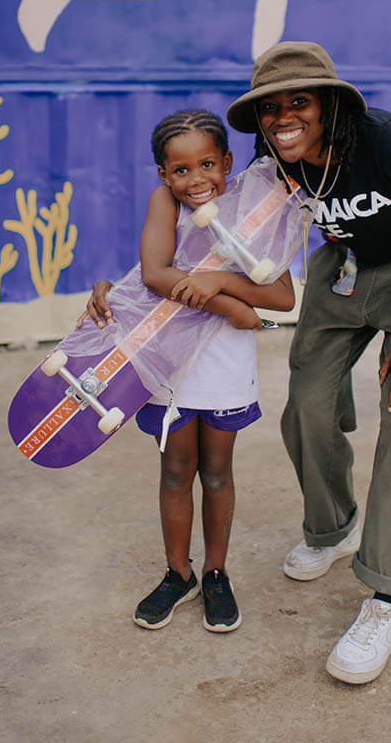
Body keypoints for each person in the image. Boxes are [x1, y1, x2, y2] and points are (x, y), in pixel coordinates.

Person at [226, 41, 391, 683]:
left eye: (299, 101)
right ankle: (333, 527)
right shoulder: (278, 157)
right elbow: (226, 224)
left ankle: (386, 596)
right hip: (344, 270)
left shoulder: (390, 142)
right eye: (270, 108)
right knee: (305, 402)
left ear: (329, 104)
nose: (283, 118)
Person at [81, 109, 294, 633]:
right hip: (165, 360)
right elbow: (155, 273)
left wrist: (220, 283)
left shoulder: (254, 210)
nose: (196, 180)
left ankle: (216, 572)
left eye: (207, 164)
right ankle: (180, 574)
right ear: (162, 175)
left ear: (226, 161)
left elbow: (283, 296)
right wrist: (229, 306)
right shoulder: (164, 204)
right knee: (176, 470)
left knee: (217, 472)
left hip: (224, 363)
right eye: (180, 171)